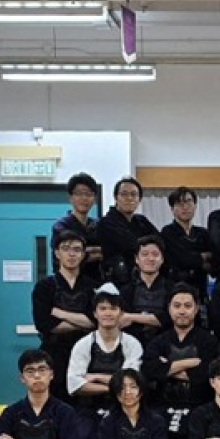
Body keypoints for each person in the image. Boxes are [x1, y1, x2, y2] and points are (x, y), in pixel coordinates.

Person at [141, 283, 218, 439]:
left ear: (196, 308)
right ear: (169, 309)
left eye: (187, 305)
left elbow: (206, 374)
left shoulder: (208, 341)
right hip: (162, 404)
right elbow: (150, 371)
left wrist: (168, 367)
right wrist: (190, 363)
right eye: (177, 305)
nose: (182, 311)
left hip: (198, 405)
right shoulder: (158, 341)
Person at [31, 230, 98, 402]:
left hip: (87, 354)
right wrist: (83, 321)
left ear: (83, 254)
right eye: (66, 248)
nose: (71, 254)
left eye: (77, 249)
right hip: (53, 353)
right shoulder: (44, 287)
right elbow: (45, 324)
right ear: (56, 253)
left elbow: (96, 322)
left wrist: (59, 313)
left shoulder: (93, 286)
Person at [67, 284, 144, 420]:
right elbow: (74, 385)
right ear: (95, 313)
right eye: (103, 309)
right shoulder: (83, 344)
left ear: (121, 313)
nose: (108, 313)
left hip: (124, 409)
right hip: (88, 410)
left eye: (113, 309)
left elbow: (130, 381)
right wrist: (114, 387)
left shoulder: (132, 344)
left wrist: (96, 377)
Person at [160, 186, 213, 319]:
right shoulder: (167, 232)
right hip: (175, 289)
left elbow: (213, 260)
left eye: (189, 202)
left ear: (195, 206)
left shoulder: (203, 233)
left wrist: (192, 258)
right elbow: (181, 259)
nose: (185, 207)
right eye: (179, 203)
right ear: (172, 209)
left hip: (200, 289)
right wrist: (201, 258)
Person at [98, 176, 160, 285]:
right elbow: (129, 244)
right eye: (124, 194)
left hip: (142, 279)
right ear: (116, 197)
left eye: (133, 194)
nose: (129, 198)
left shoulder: (142, 221)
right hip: (115, 281)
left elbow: (159, 242)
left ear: (139, 199)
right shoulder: (106, 222)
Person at [117, 234, 173, 349]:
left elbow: (168, 318)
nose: (150, 258)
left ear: (162, 259)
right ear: (136, 259)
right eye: (145, 254)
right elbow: (122, 319)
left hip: (166, 344)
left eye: (155, 254)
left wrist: (132, 317)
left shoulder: (172, 288)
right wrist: (152, 320)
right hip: (132, 344)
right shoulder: (125, 290)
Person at [51, 172, 102, 279]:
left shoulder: (99, 225)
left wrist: (87, 252)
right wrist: (98, 251)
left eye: (89, 194)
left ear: (94, 199)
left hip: (96, 282)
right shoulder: (61, 226)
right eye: (79, 194)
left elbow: (109, 251)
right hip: (69, 282)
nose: (84, 198)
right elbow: (67, 256)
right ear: (70, 198)